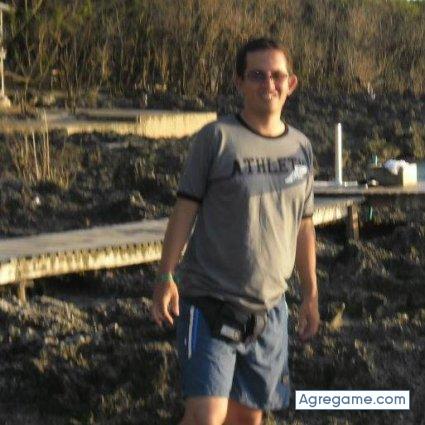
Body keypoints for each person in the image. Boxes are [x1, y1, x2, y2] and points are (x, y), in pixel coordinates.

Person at [151, 37, 319, 425]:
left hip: (269, 308)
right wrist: (165, 276)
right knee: (206, 415)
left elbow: (304, 224)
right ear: (240, 82)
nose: (268, 84)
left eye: (277, 76)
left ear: (291, 83)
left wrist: (310, 292)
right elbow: (184, 210)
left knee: (247, 417)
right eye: (257, 75)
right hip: (210, 301)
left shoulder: (301, 148)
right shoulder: (216, 139)